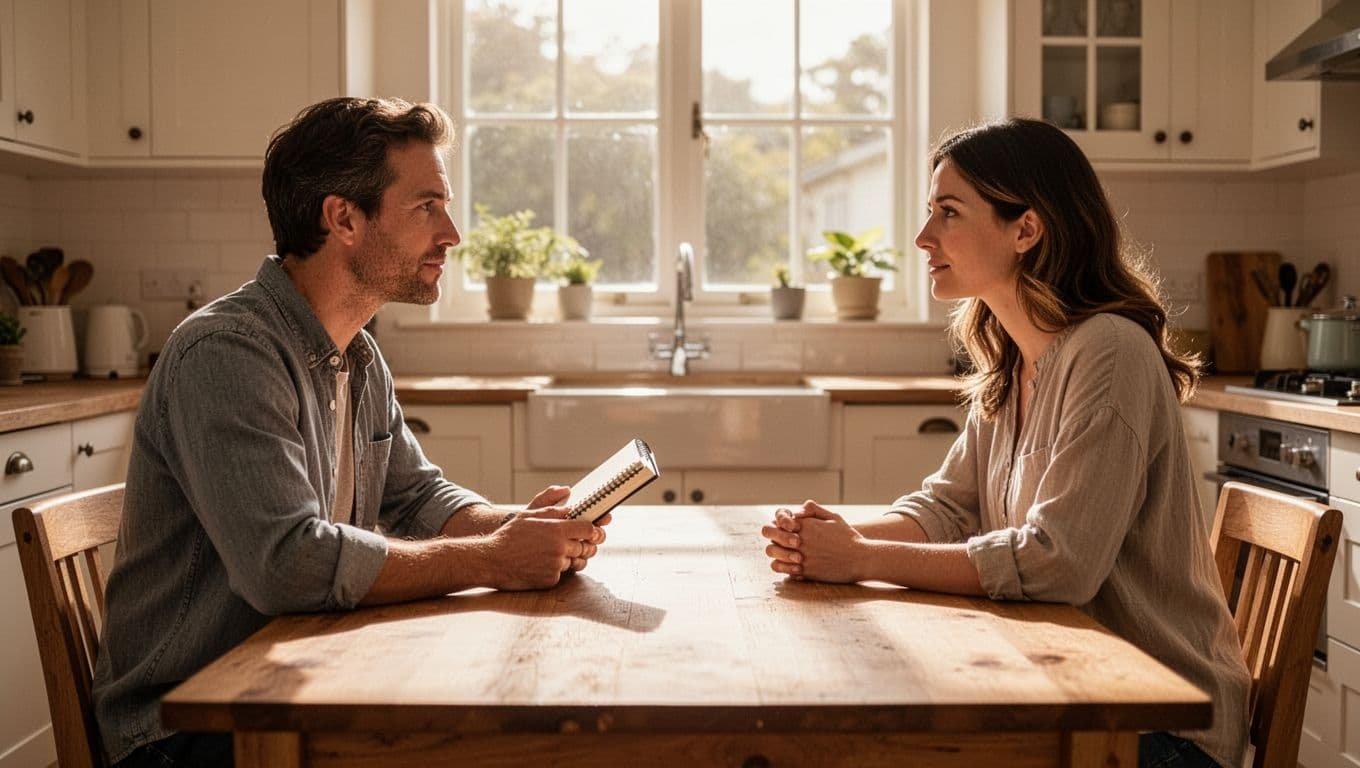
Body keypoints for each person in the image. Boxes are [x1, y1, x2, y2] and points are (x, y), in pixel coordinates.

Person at [92, 97, 609, 768]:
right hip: (183, 729)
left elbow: (416, 498)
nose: (451, 233)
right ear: (343, 218)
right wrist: (494, 558)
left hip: (297, 678)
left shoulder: (357, 355)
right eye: (427, 207)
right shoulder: (224, 354)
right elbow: (287, 564)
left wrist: (517, 526)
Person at [760, 117, 1249, 768]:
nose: (922, 237)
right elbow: (947, 509)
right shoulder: (1017, 358)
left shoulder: (1109, 353)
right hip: (1063, 688)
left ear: (1026, 228)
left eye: (949, 213)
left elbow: (1059, 561)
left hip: (1159, 725)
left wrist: (859, 559)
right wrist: (828, 537)